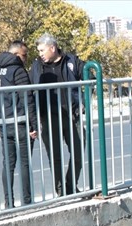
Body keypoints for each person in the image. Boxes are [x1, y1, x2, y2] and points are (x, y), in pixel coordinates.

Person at [30, 34, 85, 197]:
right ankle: (61, 190)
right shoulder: (37, 66)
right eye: (39, 51)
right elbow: (29, 89)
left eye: (42, 50)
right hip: (49, 117)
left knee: (78, 152)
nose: (40, 54)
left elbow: (89, 74)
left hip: (72, 115)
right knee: (55, 157)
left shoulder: (71, 61)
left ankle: (71, 185)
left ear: (52, 48)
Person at [0, 41, 37, 208]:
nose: (26, 59)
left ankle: (9, 204)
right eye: (24, 55)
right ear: (15, 54)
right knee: (24, 163)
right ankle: (27, 202)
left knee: (8, 163)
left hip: (2, 123)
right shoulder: (18, 71)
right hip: (20, 123)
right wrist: (34, 125)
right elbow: (27, 98)